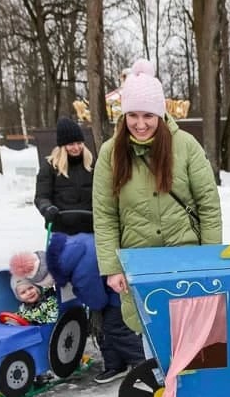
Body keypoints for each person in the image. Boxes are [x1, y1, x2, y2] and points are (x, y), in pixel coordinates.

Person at [93, 58, 222, 345]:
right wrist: (112, 266)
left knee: (194, 340)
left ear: (160, 115)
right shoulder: (110, 153)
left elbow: (208, 205)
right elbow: (104, 214)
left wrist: (210, 259)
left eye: (148, 116)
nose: (140, 124)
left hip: (185, 259)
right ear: (123, 116)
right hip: (139, 264)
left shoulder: (186, 146)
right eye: (133, 115)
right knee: (155, 342)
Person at [45, 231, 145, 383]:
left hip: (120, 289)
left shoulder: (81, 273)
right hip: (118, 282)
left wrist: (77, 290)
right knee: (105, 327)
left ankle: (143, 364)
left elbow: (97, 302)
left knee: (116, 328)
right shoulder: (73, 245)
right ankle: (116, 365)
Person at [34, 117, 94, 235]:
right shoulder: (50, 167)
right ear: (62, 146)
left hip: (91, 227)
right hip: (62, 227)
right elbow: (41, 196)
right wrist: (47, 208)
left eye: (79, 143)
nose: (76, 148)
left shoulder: (92, 164)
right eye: (71, 144)